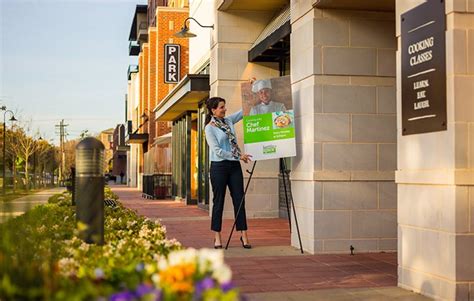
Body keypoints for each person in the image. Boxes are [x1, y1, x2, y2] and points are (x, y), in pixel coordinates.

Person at [204, 97, 253, 249]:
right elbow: (217, 151)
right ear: (213, 110)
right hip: (219, 168)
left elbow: (245, 110)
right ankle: (217, 236)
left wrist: (250, 89)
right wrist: (239, 156)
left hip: (234, 167)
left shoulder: (229, 121)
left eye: (224, 107)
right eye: (221, 107)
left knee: (240, 200)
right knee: (218, 202)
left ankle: (244, 235)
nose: (225, 109)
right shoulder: (209, 128)